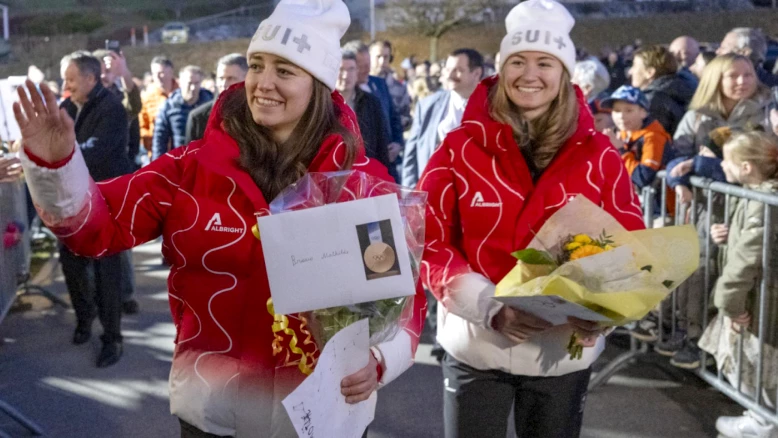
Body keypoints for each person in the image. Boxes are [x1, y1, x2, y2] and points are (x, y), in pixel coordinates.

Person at [14, 0, 425, 435]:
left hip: (322, 414)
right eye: (257, 65)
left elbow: (401, 296)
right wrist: (56, 165)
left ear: (319, 85)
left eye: (285, 71)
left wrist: (380, 359)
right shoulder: (189, 169)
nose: (264, 83)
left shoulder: (360, 183)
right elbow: (93, 230)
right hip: (213, 411)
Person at [417, 1, 645, 437]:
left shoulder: (598, 155)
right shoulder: (460, 148)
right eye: (517, 61)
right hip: (476, 347)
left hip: (561, 354)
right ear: (502, 69)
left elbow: (630, 242)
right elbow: (428, 240)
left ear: (564, 73)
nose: (529, 74)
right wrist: (488, 306)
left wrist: (605, 309)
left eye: (545, 62)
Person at [55, 51, 135, 367]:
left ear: (90, 78)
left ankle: (112, 338)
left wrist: (59, 152)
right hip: (71, 204)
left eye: (71, 79)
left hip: (104, 203)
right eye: (65, 79)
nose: (67, 85)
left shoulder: (111, 108)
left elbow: (95, 152)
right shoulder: (65, 108)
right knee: (71, 266)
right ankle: (84, 319)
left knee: (106, 274)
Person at [698, 131, 778, 438]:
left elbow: (750, 257)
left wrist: (728, 302)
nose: (722, 166)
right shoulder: (757, 196)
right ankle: (759, 419)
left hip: (758, 302)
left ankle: (762, 424)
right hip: (757, 298)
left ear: (746, 167)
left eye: (726, 161)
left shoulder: (763, 201)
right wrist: (730, 234)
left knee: (751, 368)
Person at [93, 49, 143, 315]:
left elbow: (134, 105)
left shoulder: (116, 101)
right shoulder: (77, 104)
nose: (105, 74)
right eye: (101, 69)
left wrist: (124, 75)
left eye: (109, 68)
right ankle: (94, 297)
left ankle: (125, 295)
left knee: (120, 241)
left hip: (118, 180)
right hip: (87, 182)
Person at [402, 48, 483, 189]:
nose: (450, 75)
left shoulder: (494, 108)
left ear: (476, 73)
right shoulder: (428, 105)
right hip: (434, 192)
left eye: (458, 70)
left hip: (477, 193)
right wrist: (410, 194)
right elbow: (411, 154)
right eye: (447, 69)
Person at [342, 40, 403, 182]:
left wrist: (397, 142)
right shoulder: (331, 98)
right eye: (361, 66)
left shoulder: (378, 85)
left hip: (379, 163)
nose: (366, 70)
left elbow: (393, 117)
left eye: (368, 65)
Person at [602, 85, 672, 192]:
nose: (621, 116)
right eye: (616, 111)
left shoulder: (653, 136)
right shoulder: (619, 133)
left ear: (643, 112)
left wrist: (620, 150)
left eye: (629, 110)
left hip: (656, 204)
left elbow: (643, 177)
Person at [337, 50, 392, 170]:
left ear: (357, 72)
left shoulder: (372, 103)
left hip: (365, 173)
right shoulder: (322, 103)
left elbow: (381, 146)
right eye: (341, 69)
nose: (345, 75)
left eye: (351, 69)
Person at [630, 45, 695, 135]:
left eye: (634, 66)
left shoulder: (651, 100)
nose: (630, 71)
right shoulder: (680, 88)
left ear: (649, 72)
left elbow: (650, 139)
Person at [151, 65, 213, 160]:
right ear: (180, 83)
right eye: (189, 83)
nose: (193, 88)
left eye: (196, 83)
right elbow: (159, 140)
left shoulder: (210, 105)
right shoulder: (169, 106)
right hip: (180, 161)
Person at [186, 53, 248, 143]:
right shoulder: (198, 118)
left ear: (247, 79)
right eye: (221, 78)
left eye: (231, 78)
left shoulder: (260, 115)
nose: (224, 84)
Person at [370, 40, 412, 131]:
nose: (382, 61)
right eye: (378, 57)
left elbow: (407, 117)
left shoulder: (400, 88)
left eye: (386, 57)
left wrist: (399, 122)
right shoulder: (360, 85)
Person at [140, 56, 178, 154]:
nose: (157, 77)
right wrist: (152, 141)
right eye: (154, 73)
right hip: (157, 154)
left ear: (171, 73)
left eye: (161, 73)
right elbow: (142, 125)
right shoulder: (147, 97)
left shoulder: (182, 93)